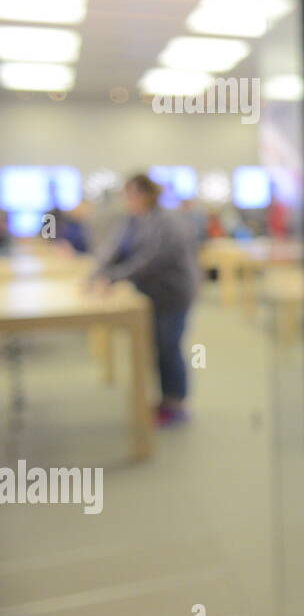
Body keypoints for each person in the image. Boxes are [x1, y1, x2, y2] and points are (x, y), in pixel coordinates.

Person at [90, 174, 199, 428]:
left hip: (172, 294)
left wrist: (113, 277)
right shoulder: (133, 220)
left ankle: (177, 404)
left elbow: (151, 260)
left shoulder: (167, 221)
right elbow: (114, 250)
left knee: (169, 348)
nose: (128, 200)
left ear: (147, 194)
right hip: (149, 296)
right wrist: (97, 275)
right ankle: (165, 401)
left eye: (132, 195)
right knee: (157, 349)